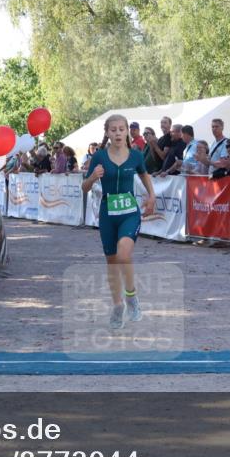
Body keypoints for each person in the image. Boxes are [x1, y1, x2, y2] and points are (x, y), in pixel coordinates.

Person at [81, 114, 156, 329]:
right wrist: (93, 177)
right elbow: (84, 188)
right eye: (113, 130)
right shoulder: (99, 157)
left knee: (124, 254)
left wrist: (152, 196)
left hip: (129, 212)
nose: (117, 133)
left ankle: (131, 297)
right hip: (107, 212)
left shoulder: (136, 156)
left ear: (127, 132)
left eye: (121, 129)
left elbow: (144, 176)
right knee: (112, 261)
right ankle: (117, 306)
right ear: (107, 133)